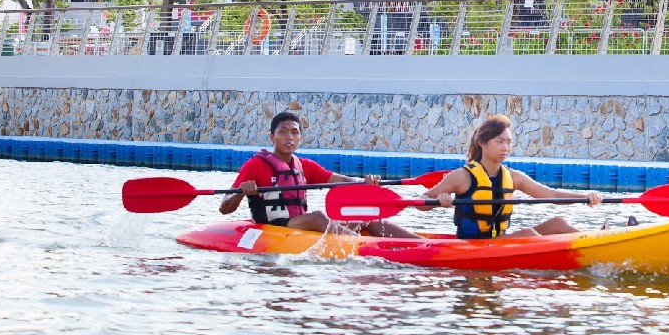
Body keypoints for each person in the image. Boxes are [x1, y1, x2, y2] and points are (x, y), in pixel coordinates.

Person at [220, 111, 420, 238]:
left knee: (366, 217)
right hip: (274, 226)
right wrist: (240, 192)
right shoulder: (255, 165)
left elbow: (343, 181)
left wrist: (365, 182)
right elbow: (224, 207)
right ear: (272, 136)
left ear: (300, 137)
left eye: (295, 132)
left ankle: (422, 244)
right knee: (317, 217)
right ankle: (362, 245)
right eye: (283, 132)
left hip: (299, 223)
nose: (289, 137)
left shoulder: (304, 165)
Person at [422, 114, 603, 239]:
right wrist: (438, 200)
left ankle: (596, 241)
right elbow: (422, 202)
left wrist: (585, 198)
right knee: (527, 234)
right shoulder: (462, 176)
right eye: (499, 142)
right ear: (482, 143)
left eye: (509, 142)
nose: (505, 148)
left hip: (500, 240)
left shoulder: (514, 177)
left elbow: (551, 195)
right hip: (475, 245)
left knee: (557, 223)